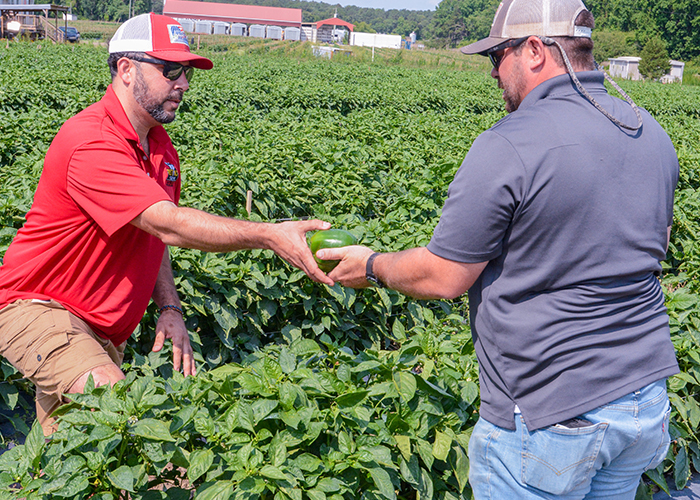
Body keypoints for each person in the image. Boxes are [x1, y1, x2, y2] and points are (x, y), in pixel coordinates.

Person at [318, 0, 680, 498]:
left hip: (554, 413)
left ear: (535, 51)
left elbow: (445, 276)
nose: (493, 72)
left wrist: (373, 265)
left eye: (497, 56)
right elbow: (655, 243)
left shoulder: (512, 143)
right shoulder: (650, 134)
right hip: (643, 401)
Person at [0, 13, 333, 436]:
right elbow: (170, 225)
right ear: (126, 68)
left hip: (101, 327)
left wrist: (170, 307)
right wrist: (270, 234)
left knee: (67, 458)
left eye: (187, 72)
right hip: (39, 309)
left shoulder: (159, 146)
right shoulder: (91, 141)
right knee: (127, 421)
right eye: (170, 69)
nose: (184, 84)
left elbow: (153, 238)